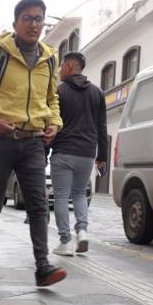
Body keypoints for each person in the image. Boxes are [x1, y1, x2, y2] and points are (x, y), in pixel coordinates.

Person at [0, 0, 66, 286]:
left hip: (34, 142)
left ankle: (42, 265)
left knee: (37, 203)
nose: (34, 24)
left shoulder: (49, 56)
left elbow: (51, 98)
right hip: (1, 140)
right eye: (28, 18)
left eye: (38, 19)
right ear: (16, 23)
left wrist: (55, 122)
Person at [50, 52, 108, 256]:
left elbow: (52, 123)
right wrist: (102, 157)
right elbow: (102, 126)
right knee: (79, 194)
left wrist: (45, 150)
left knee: (61, 196)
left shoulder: (59, 91)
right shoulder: (97, 93)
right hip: (86, 153)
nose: (60, 71)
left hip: (64, 151)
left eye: (62, 66)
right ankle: (82, 231)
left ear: (70, 66)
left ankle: (65, 242)